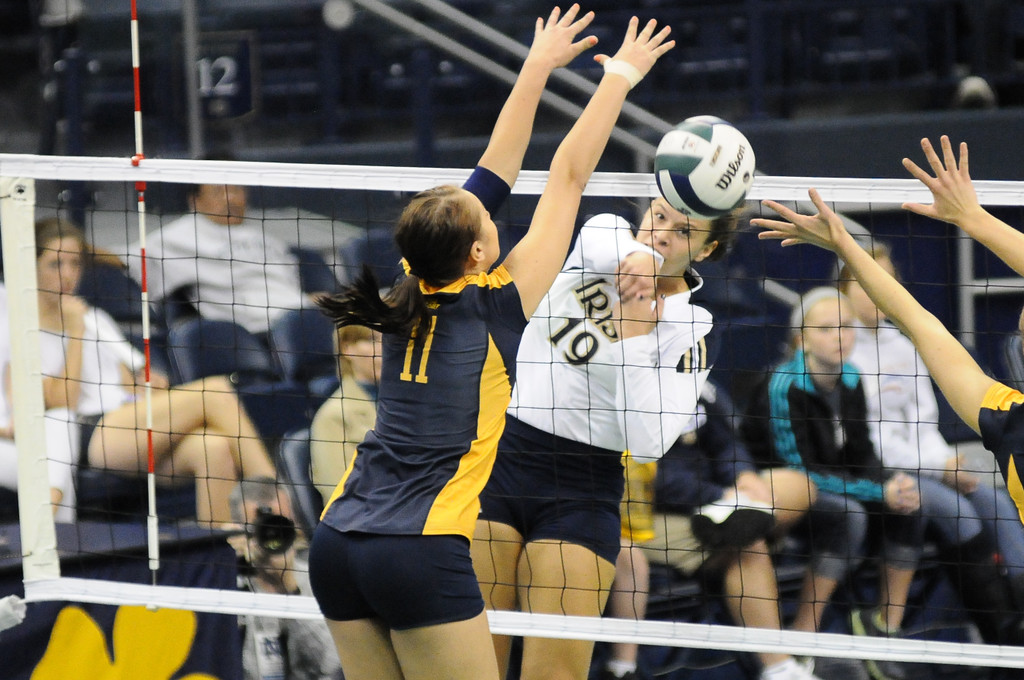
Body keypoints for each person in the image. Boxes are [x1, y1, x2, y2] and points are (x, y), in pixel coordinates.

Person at [306, 8, 675, 680]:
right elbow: (567, 175)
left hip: (337, 540)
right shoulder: (498, 305)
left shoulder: (409, 281)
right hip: (417, 548)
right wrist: (620, 75)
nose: (490, 198)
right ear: (476, 252)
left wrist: (537, 66)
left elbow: (494, 170)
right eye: (483, 211)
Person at [473, 158, 742, 680]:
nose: (660, 234)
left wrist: (635, 338)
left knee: (553, 674)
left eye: (683, 231)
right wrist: (638, 261)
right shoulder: (604, 238)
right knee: (478, 665)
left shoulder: (688, 331)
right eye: (658, 216)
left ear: (707, 250)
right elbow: (606, 236)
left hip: (582, 490)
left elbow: (648, 442)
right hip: (500, 464)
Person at [751, 135, 1024, 634]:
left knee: (986, 504)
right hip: (885, 475)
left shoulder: (1007, 417)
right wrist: (972, 217)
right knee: (946, 510)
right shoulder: (1004, 414)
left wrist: (845, 244)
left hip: (910, 466)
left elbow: (919, 324)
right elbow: (918, 324)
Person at [34, 216, 280, 526]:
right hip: (85, 432)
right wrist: (76, 332)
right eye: (55, 264)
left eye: (75, 264)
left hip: (126, 419)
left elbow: (127, 381)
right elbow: (63, 403)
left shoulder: (96, 318)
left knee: (213, 446)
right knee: (216, 392)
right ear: (32, 267)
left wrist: (145, 386)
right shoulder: (25, 327)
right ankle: (280, 510)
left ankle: (224, 550)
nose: (68, 275)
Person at [840, 241, 1024, 645]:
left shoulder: (904, 345)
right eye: (866, 280)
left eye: (887, 278)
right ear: (846, 287)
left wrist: (947, 463)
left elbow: (925, 421)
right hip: (876, 469)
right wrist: (939, 468)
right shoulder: (840, 349)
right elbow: (866, 439)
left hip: (927, 462)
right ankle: (1000, 633)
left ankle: (1019, 611)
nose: (875, 290)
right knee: (959, 512)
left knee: (993, 501)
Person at [741, 286, 924, 680]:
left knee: (910, 503)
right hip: (780, 495)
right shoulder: (783, 387)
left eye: (845, 326)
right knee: (849, 515)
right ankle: (803, 637)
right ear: (801, 339)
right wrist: (879, 491)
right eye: (826, 329)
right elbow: (801, 472)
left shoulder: (852, 377)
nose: (839, 336)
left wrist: (893, 484)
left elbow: (862, 454)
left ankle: (884, 628)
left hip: (834, 482)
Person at [601, 381, 820, 680]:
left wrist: (743, 476)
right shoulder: (621, 387)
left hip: (719, 497)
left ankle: (745, 518)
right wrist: (717, 494)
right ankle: (779, 667)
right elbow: (645, 478)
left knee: (799, 486)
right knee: (749, 545)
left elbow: (726, 442)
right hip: (649, 514)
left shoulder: (695, 380)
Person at [125, 155, 328, 339]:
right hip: (259, 332)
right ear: (195, 200)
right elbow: (124, 258)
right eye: (218, 191)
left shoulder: (264, 237)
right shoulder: (178, 236)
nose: (230, 197)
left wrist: (308, 302)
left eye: (236, 189)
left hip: (305, 317)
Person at [228, 477, 343, 680]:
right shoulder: (228, 585)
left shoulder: (315, 578)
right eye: (259, 528)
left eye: (279, 524)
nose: (271, 535)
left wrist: (290, 589)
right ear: (238, 531)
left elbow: (331, 665)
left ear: (295, 524)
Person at [0, 280, 79, 523]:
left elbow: (12, 370)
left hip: (15, 435)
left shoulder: (7, 298)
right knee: (52, 469)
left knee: (62, 418)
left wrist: (18, 417)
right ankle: (49, 534)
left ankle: (44, 527)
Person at [309, 325, 381, 505]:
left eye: (390, 339)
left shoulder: (414, 403)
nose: (384, 348)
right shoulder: (333, 416)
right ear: (347, 347)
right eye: (372, 340)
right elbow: (340, 495)